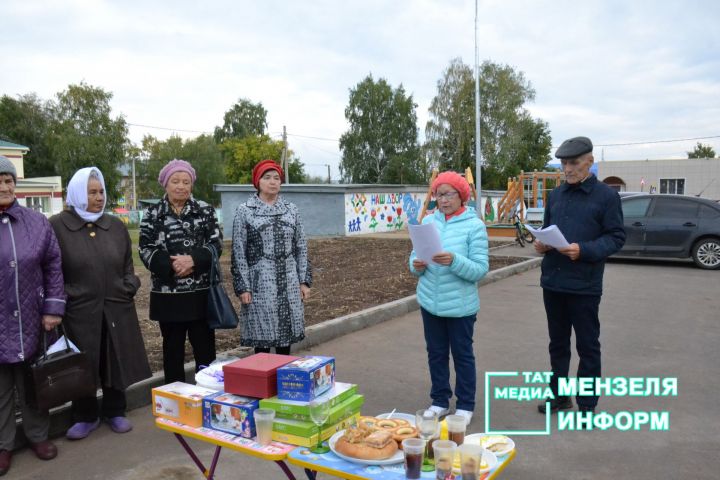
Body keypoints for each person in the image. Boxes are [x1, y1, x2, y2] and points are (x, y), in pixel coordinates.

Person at [49, 167, 152, 440]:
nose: (98, 197)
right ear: (76, 194)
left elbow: (128, 265)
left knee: (114, 356)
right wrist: (68, 295)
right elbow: (51, 268)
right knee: (82, 361)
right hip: (79, 310)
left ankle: (116, 410)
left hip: (117, 305)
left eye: (101, 191)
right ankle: (85, 415)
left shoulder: (115, 225)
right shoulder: (58, 226)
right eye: (91, 192)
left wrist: (128, 287)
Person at [534, 136, 626, 414]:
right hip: (553, 282)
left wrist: (583, 250)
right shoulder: (557, 195)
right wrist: (541, 244)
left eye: (574, 163)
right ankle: (560, 398)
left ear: (589, 162)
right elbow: (548, 229)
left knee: (588, 347)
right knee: (558, 345)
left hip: (584, 285)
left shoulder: (606, 196)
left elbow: (616, 237)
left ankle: (587, 405)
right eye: (564, 163)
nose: (568, 169)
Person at [0, 156, 65, 475]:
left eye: (9, 180)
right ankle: (4, 445)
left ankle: (38, 435)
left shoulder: (37, 222)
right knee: (0, 389)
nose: (4, 186)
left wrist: (53, 307)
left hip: (31, 317)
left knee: (33, 382)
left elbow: (53, 264)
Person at [409, 171, 489, 426]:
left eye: (448, 194)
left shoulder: (474, 225)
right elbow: (413, 260)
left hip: (460, 306)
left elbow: (479, 269)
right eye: (438, 194)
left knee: (462, 355)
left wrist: (454, 261)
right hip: (430, 302)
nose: (442, 200)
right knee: (436, 354)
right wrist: (417, 264)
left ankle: (465, 405)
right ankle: (440, 401)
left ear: (461, 196)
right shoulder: (429, 221)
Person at [139, 159, 222, 384]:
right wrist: (173, 266)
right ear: (165, 184)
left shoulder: (204, 210)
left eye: (186, 181)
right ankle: (175, 401)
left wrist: (193, 260)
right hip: (168, 297)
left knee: (205, 352)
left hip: (201, 295)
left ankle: (207, 395)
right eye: (175, 181)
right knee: (172, 351)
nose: (181, 186)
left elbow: (216, 245)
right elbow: (145, 248)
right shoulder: (152, 213)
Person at [231, 159, 312, 355]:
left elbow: (301, 246)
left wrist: (304, 281)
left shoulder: (291, 209)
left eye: (277, 178)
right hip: (260, 283)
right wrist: (243, 287)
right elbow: (238, 251)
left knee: (286, 337)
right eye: (267, 177)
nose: (273, 182)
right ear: (257, 181)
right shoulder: (245, 211)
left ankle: (284, 382)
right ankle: (264, 382)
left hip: (290, 281)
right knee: (263, 337)